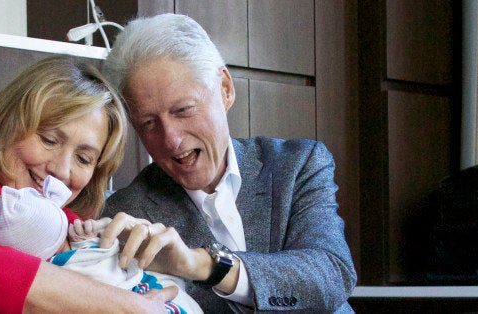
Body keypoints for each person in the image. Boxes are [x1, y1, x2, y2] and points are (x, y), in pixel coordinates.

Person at [99, 13, 358, 313]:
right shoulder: (128, 214)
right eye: (148, 123)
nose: (171, 139)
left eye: (183, 110)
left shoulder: (298, 165)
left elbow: (331, 272)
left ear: (225, 89)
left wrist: (206, 265)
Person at [0, 55, 178, 313]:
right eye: (48, 140)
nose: (60, 170)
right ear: (5, 124)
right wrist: (130, 307)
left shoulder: (73, 225)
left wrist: (136, 259)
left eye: (83, 158)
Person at [0, 175, 203, 314]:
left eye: (83, 158)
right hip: (142, 294)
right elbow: (98, 264)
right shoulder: (67, 263)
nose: (61, 171)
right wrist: (88, 240)